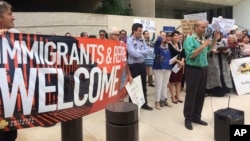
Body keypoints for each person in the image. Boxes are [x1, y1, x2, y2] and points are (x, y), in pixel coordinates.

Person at [183, 20, 218, 130]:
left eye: (206, 27)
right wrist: (203, 46)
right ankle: (188, 118)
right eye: (203, 27)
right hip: (193, 69)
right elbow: (191, 55)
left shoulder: (203, 39)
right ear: (196, 27)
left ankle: (196, 116)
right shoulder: (189, 39)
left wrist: (215, 39)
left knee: (200, 94)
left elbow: (208, 50)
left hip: (203, 69)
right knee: (191, 95)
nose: (205, 29)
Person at [0, 1, 18, 141]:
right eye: (9, 14)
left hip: (9, 111)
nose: (13, 18)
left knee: (9, 136)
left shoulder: (14, 38)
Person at [126, 23, 153, 111]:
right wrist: (142, 53)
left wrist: (139, 52)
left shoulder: (142, 40)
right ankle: (132, 106)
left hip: (142, 65)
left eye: (141, 31)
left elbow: (148, 51)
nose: (140, 33)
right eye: (139, 31)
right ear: (134, 30)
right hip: (134, 65)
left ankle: (144, 103)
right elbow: (132, 53)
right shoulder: (129, 40)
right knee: (134, 85)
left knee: (143, 85)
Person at [206, 31, 233, 97]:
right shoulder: (210, 42)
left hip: (222, 61)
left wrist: (226, 51)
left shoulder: (224, 42)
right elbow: (206, 52)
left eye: (219, 34)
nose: (218, 36)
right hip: (213, 62)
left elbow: (229, 51)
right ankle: (214, 91)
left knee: (223, 75)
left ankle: (225, 89)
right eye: (216, 34)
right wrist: (212, 51)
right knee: (215, 75)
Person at [152, 31, 172, 110]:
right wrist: (159, 37)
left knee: (165, 84)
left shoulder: (168, 45)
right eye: (162, 35)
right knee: (158, 85)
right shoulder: (157, 45)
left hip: (167, 67)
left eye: (165, 35)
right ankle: (157, 101)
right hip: (159, 67)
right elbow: (158, 41)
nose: (164, 37)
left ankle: (164, 99)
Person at [168, 30, 185, 104]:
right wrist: (178, 61)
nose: (177, 37)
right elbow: (170, 56)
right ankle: (172, 96)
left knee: (178, 81)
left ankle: (177, 96)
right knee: (172, 81)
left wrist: (182, 61)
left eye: (178, 35)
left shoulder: (180, 44)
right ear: (172, 37)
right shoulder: (169, 45)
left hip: (180, 65)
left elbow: (183, 54)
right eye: (175, 35)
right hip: (173, 65)